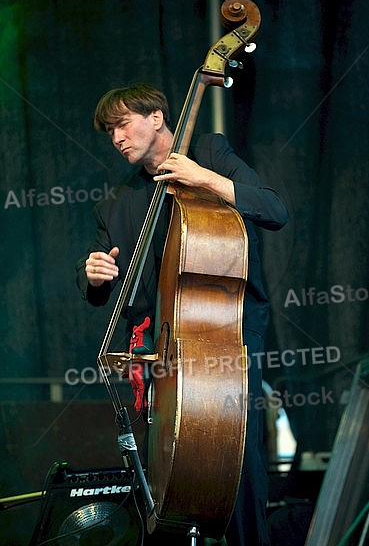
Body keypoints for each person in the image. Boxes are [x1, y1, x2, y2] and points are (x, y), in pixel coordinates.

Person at [76, 83, 289, 546]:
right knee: (165, 465)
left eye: (123, 123)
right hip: (163, 345)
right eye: (109, 130)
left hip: (226, 329)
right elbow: (99, 281)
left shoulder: (209, 150)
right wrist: (91, 274)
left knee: (236, 453)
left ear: (156, 118)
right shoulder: (115, 202)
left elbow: (274, 209)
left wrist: (203, 177)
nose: (116, 137)